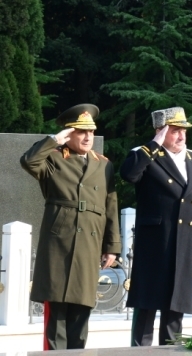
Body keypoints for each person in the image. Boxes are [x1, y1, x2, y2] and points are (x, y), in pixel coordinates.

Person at [20, 104, 120, 350]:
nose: (88, 137)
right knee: (58, 308)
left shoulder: (103, 164)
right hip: (60, 241)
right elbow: (28, 161)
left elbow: (111, 205)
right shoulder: (54, 158)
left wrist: (112, 246)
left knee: (82, 306)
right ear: (69, 133)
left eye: (91, 132)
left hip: (90, 240)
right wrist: (54, 140)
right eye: (80, 131)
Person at [120, 107, 192, 346]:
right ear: (160, 132)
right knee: (147, 303)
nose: (181, 136)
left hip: (184, 239)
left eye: (183, 131)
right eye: (174, 131)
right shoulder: (145, 154)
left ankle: (171, 350)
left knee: (176, 305)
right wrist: (153, 145)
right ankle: (140, 352)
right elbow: (129, 175)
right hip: (155, 240)